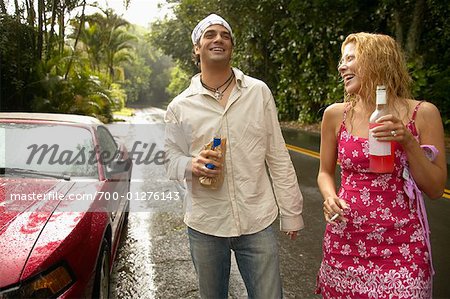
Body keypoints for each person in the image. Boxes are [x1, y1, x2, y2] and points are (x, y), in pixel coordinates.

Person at [164, 13, 304, 299]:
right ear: (197, 48)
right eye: (210, 35)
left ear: (231, 47)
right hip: (206, 223)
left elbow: (277, 154)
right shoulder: (180, 107)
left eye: (225, 35)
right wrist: (191, 164)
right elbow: (168, 160)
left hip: (257, 220)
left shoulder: (258, 92)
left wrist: (292, 213)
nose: (218, 39)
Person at [315, 32, 447, 298]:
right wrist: (330, 197)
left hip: (402, 246)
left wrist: (408, 141)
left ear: (377, 60)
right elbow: (325, 173)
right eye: (342, 60)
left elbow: (434, 188)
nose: (342, 67)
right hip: (346, 241)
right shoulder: (335, 115)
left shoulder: (423, 114)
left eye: (350, 59)